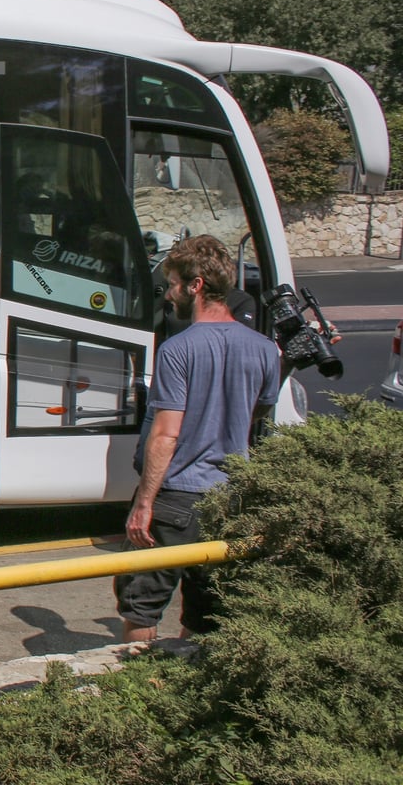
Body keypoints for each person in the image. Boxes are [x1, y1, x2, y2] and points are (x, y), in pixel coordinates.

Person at [115, 235, 280, 643]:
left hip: (176, 497)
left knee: (142, 605)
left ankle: (139, 690)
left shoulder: (177, 350)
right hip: (229, 498)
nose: (168, 294)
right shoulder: (264, 350)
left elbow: (165, 435)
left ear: (196, 285)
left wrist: (145, 503)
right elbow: (258, 411)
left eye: (172, 283)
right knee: (208, 611)